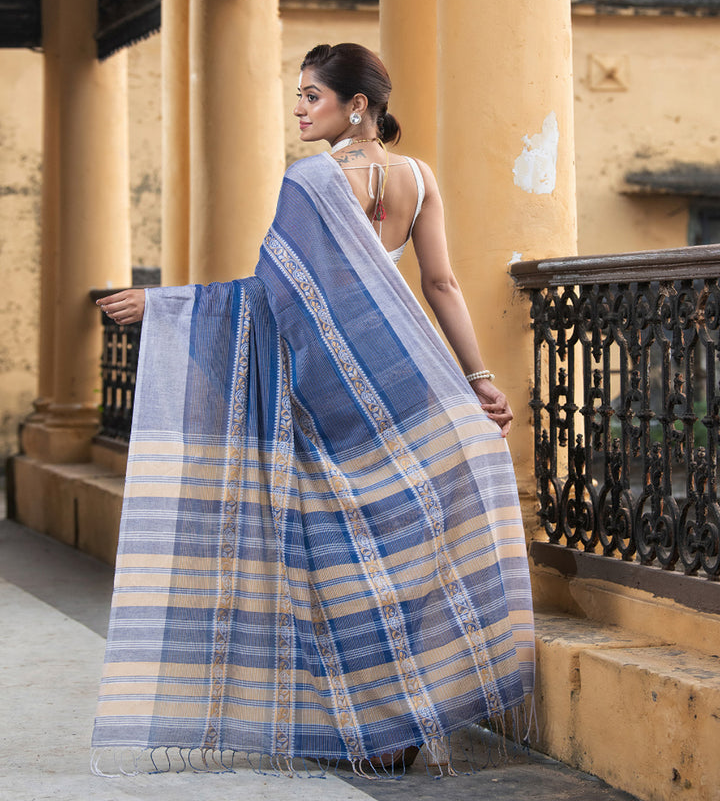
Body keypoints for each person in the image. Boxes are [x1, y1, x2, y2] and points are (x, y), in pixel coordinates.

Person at [93, 43, 534, 777]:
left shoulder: (310, 182)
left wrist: (168, 306)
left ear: (356, 105)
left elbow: (275, 296)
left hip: (328, 389)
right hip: (404, 376)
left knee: (338, 544)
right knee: (405, 539)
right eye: (298, 95)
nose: (298, 109)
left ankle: (375, 724)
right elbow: (442, 285)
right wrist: (479, 377)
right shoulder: (418, 177)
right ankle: (409, 717)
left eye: (312, 96)